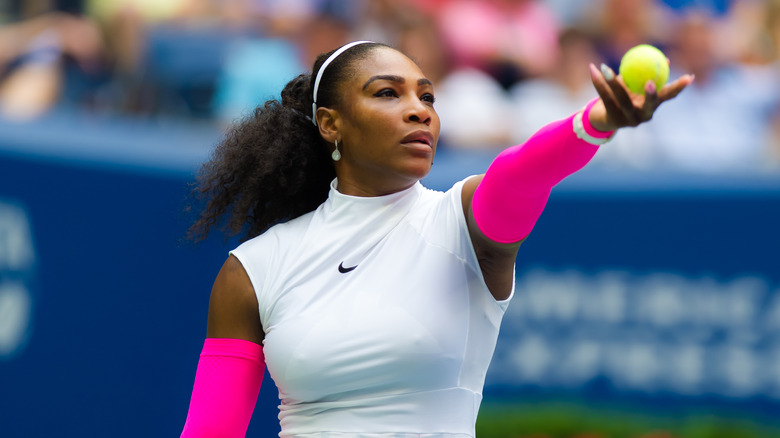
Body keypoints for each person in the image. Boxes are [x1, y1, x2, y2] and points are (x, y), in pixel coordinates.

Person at [180, 41, 692, 437]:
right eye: (388, 93)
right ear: (330, 124)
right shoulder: (252, 269)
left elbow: (518, 177)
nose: (419, 109)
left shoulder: (462, 221)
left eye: (426, 96)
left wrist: (594, 123)